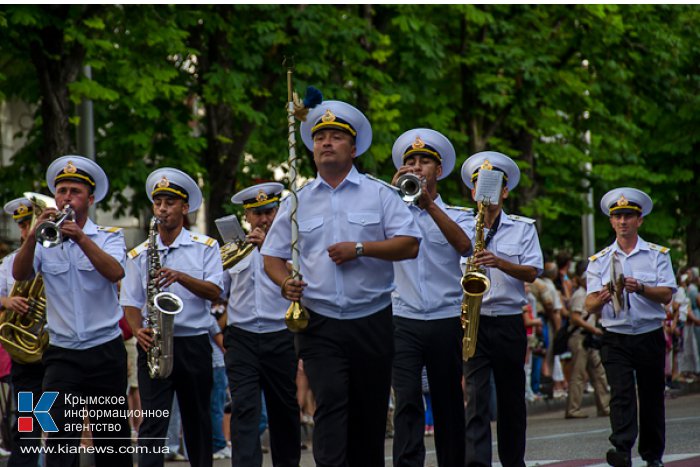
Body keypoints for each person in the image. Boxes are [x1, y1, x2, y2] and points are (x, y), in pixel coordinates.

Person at [262, 100, 422, 466]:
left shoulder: (379, 193)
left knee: (368, 414)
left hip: (372, 319)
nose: (326, 143)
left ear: (353, 148)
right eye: (320, 137)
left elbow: (409, 244)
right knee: (331, 402)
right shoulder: (297, 202)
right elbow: (270, 257)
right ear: (312, 148)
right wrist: (286, 282)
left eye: (336, 137)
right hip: (320, 323)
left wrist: (361, 248)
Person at [12, 155, 131, 466]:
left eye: (74, 191)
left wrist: (80, 239)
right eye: (61, 190)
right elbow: (20, 274)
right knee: (60, 443)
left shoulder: (110, 237)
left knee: (112, 442)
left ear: (89, 199)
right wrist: (33, 237)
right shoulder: (44, 238)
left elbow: (115, 272)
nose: (66, 198)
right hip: (62, 355)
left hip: (105, 351)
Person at [121, 167, 224, 467]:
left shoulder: (205, 247)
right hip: (153, 345)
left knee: (198, 422)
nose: (162, 209)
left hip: (193, 344)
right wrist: (137, 329)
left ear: (184, 207)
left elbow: (214, 291)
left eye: (169, 203)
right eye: (158, 203)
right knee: (152, 426)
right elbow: (130, 302)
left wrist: (180, 276)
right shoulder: (139, 253)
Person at [388, 128, 472, 467]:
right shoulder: (390, 212)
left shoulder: (459, 214)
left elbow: (465, 245)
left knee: (448, 400)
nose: (417, 166)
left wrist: (429, 206)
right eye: (411, 161)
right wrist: (394, 196)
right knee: (406, 400)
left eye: (425, 161)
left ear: (438, 171)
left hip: (445, 317)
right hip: (402, 317)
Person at [460, 151, 543, 467]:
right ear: (472, 191)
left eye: (494, 186)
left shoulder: (522, 228)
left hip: (508, 320)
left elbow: (533, 272)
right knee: (476, 400)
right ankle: (477, 463)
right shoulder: (462, 226)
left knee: (511, 400)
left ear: (505, 192)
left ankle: (513, 462)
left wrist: (500, 263)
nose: (487, 193)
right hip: (474, 319)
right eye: (481, 186)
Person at [585, 187, 676, 467]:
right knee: (621, 394)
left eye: (628, 216)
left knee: (651, 397)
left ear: (640, 220)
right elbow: (588, 305)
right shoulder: (600, 260)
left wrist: (642, 288)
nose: (623, 221)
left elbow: (667, 295)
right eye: (618, 217)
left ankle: (652, 455)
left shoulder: (656, 255)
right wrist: (600, 297)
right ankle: (622, 449)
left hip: (648, 333)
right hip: (616, 335)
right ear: (611, 222)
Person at [221, 182, 300, 466]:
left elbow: (304, 280)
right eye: (257, 214)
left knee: (284, 408)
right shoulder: (233, 249)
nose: (264, 219)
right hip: (242, 338)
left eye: (269, 211)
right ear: (246, 216)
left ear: (278, 211)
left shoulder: (292, 246)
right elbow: (218, 292)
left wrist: (269, 249)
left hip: (280, 335)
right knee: (244, 409)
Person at [0, 196, 46, 467]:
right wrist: (8, 302)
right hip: (25, 352)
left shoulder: (56, 253)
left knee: (54, 413)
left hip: (53, 348)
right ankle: (26, 461)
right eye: (21, 225)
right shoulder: (9, 262)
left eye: (28, 223)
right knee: (26, 413)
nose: (24, 231)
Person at [565, 260, 610, 419]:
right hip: (580, 337)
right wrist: (594, 329)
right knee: (578, 374)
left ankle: (604, 406)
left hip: (589, 338)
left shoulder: (590, 294)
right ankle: (573, 409)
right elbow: (576, 318)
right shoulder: (579, 295)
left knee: (599, 373)